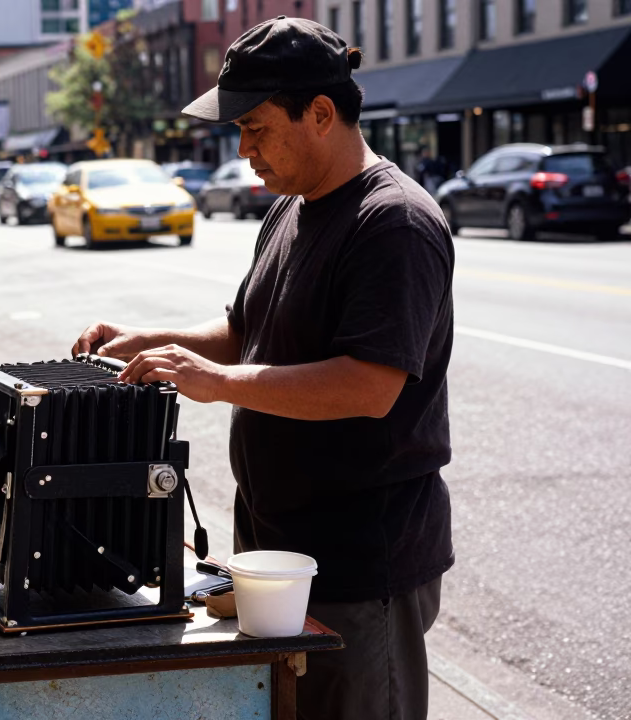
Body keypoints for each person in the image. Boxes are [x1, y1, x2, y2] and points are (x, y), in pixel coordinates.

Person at [74, 17, 454, 720]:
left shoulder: (392, 222)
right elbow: (250, 330)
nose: (244, 149)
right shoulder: (290, 209)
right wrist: (147, 343)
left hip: (358, 562)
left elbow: (369, 387)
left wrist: (212, 383)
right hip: (279, 548)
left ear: (320, 113)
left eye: (255, 127)